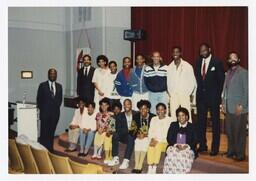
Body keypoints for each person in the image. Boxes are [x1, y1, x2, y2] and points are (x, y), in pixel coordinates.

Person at [194, 43, 225, 156]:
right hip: (201, 98)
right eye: (201, 51)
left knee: (215, 123)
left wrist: (218, 97)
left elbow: (221, 81)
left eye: (204, 50)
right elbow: (198, 79)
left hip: (213, 98)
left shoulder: (217, 62)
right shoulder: (197, 62)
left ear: (209, 50)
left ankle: (215, 148)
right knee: (201, 123)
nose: (203, 52)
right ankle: (202, 145)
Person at [222, 52, 248, 161]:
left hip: (239, 108)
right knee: (230, 131)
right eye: (230, 58)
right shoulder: (228, 72)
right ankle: (231, 151)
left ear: (239, 59)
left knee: (239, 132)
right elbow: (225, 90)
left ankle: (240, 155)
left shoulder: (244, 72)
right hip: (228, 108)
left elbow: (247, 90)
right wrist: (223, 104)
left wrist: (242, 104)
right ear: (228, 61)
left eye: (235, 58)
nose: (232, 60)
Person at [163, 107, 197, 174]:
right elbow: (169, 138)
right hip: (174, 146)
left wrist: (187, 146)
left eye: (183, 115)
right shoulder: (173, 125)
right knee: (172, 155)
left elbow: (195, 140)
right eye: (179, 116)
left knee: (183, 156)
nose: (181, 117)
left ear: (187, 117)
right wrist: (176, 145)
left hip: (188, 148)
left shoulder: (192, 126)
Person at [167, 46, 197, 121]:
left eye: (177, 52)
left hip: (184, 95)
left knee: (186, 114)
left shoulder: (188, 66)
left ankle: (188, 131)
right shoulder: (169, 67)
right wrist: (171, 93)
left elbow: (192, 82)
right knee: (173, 115)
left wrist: (187, 93)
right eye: (173, 52)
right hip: (173, 95)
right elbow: (168, 82)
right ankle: (174, 131)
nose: (175, 53)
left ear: (180, 53)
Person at [37, 68, 63, 152]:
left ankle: (50, 149)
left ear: (56, 75)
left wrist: (54, 109)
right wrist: (44, 110)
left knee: (51, 132)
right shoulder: (42, 85)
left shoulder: (59, 86)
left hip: (55, 114)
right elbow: (39, 99)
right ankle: (43, 149)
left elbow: (60, 100)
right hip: (45, 113)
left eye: (54, 74)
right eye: (51, 74)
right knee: (44, 132)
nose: (53, 75)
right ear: (48, 75)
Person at [107, 99, 137, 169]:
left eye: (128, 104)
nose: (126, 106)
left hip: (133, 135)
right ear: (123, 106)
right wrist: (111, 131)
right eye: (125, 104)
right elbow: (118, 128)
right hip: (124, 135)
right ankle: (115, 158)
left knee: (131, 136)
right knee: (115, 135)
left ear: (131, 105)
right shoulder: (120, 115)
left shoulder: (136, 114)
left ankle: (126, 160)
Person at [146, 103, 173, 174]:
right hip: (154, 139)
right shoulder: (153, 119)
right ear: (156, 111)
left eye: (162, 109)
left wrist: (157, 140)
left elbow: (167, 134)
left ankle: (154, 166)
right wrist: (152, 139)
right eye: (158, 110)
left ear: (165, 110)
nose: (160, 111)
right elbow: (150, 131)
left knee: (157, 144)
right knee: (151, 145)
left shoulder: (169, 120)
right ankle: (150, 166)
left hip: (164, 142)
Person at [132, 100, 155, 173]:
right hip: (139, 136)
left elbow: (155, 130)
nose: (143, 110)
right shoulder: (136, 116)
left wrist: (145, 135)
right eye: (141, 108)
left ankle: (140, 165)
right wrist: (137, 135)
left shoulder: (153, 117)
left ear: (148, 109)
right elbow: (132, 130)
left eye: (145, 108)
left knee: (144, 141)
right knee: (138, 141)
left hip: (150, 136)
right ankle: (136, 165)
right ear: (139, 109)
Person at [92, 98, 115, 162]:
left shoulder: (111, 114)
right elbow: (97, 124)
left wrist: (103, 130)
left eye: (105, 105)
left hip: (108, 131)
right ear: (100, 106)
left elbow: (111, 126)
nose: (103, 106)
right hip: (100, 130)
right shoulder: (98, 114)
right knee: (97, 134)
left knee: (104, 134)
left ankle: (99, 153)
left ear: (108, 106)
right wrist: (98, 130)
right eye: (102, 105)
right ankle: (95, 153)